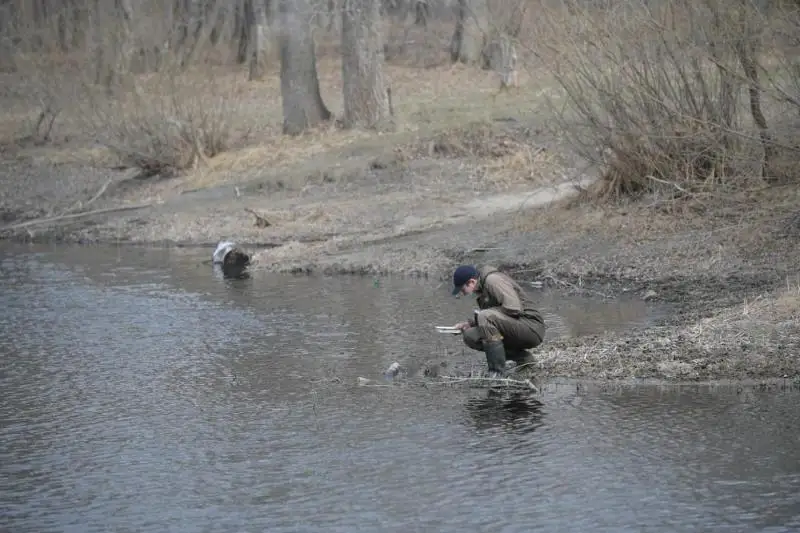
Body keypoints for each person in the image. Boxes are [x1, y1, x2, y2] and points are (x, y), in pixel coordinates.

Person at [451, 265, 546, 377]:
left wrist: (483, 316)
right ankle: (524, 359)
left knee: (484, 316)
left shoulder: (493, 280)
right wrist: (469, 324)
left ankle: (497, 372)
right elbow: (493, 319)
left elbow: (513, 308)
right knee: (470, 335)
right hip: (516, 326)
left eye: (462, 289)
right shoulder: (482, 289)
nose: (462, 293)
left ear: (471, 282)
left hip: (531, 328)